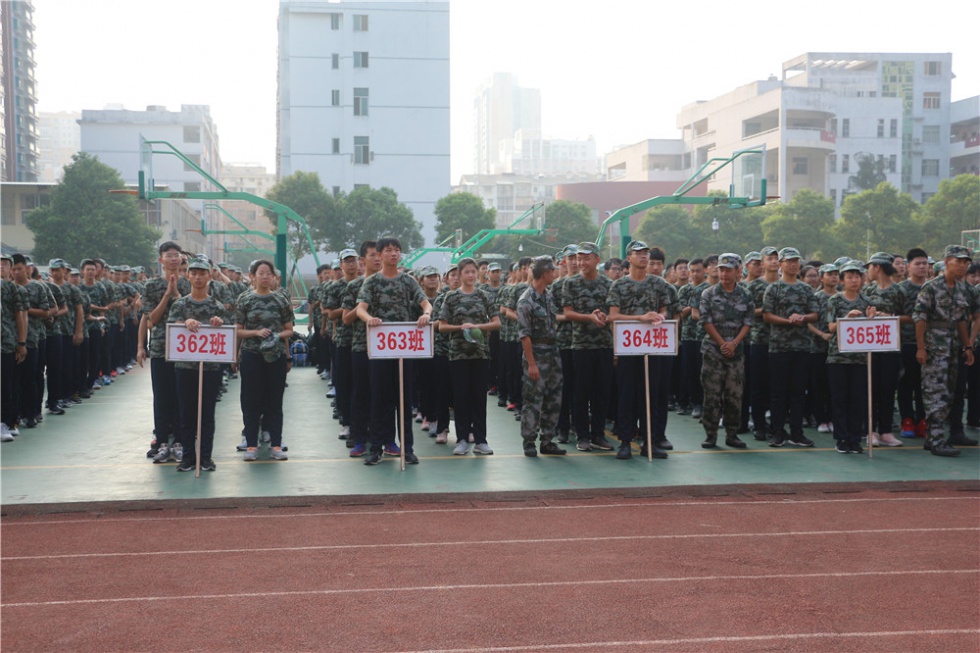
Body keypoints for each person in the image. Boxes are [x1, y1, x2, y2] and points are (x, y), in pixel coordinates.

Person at [356, 236, 432, 466]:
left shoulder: (408, 281)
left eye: (397, 250)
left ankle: (407, 448)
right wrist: (369, 319)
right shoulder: (372, 282)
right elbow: (360, 309)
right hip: (380, 348)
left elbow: (426, 302)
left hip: (404, 349)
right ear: (380, 255)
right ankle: (376, 448)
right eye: (389, 250)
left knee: (404, 399)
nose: (393, 254)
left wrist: (426, 314)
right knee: (379, 399)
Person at [606, 240, 672, 460]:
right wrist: (640, 318)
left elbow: (665, 309)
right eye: (638, 253)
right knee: (626, 395)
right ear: (629, 258)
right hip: (628, 347)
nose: (644, 256)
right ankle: (625, 441)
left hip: (652, 347)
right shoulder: (619, 285)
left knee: (650, 395)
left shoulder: (658, 283)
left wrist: (659, 317)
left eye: (646, 253)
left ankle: (649, 442)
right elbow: (613, 316)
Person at [914, 245, 977, 457]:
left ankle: (934, 438)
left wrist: (967, 345)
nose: (963, 265)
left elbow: (961, 320)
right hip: (934, 346)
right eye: (959, 261)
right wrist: (921, 348)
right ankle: (937, 440)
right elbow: (920, 318)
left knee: (949, 392)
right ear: (947, 260)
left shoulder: (961, 288)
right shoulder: (932, 287)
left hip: (953, 347)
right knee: (935, 392)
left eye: (966, 262)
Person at [168, 257, 227, 472]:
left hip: (210, 368)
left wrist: (219, 324)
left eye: (202, 273)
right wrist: (185, 322)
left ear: (209, 276)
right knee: (186, 413)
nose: (198, 277)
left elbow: (226, 332)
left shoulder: (216, 306)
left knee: (207, 414)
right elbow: (173, 326)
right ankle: (187, 457)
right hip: (185, 368)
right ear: (188, 276)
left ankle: (205, 457)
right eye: (194, 273)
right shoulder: (180, 304)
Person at [437, 257, 500, 455]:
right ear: (460, 274)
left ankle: (481, 440)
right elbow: (442, 326)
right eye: (467, 272)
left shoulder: (484, 296)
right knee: (461, 397)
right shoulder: (451, 297)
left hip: (480, 354)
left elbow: (497, 323)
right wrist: (460, 328)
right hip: (458, 355)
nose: (471, 275)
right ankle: (462, 439)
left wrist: (477, 326)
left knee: (479, 398)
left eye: (474, 271)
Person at [235, 259, 294, 461]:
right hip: (251, 355)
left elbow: (289, 330)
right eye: (261, 273)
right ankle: (251, 445)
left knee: (274, 401)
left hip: (275, 356)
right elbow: (238, 330)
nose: (265, 277)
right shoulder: (245, 299)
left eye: (269, 273)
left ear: (274, 277)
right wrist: (255, 333)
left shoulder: (281, 300)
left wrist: (277, 337)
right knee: (251, 401)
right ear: (252, 276)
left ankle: (276, 444)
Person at [762, 247, 819, 447]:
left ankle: (797, 432)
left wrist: (802, 318)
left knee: (798, 392)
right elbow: (767, 315)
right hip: (779, 348)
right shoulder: (773, 289)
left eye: (796, 261)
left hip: (802, 347)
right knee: (778, 393)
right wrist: (788, 321)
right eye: (789, 261)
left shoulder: (806, 289)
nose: (793, 265)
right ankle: (777, 432)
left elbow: (815, 314)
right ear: (781, 264)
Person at [562, 242, 616, 452]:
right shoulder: (571, 283)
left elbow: (614, 312)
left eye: (586, 258)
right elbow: (568, 313)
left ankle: (598, 435)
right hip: (581, 345)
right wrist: (589, 317)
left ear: (597, 260)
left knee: (602, 392)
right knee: (581, 392)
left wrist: (605, 317)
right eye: (579, 258)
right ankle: (582, 435)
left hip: (604, 344)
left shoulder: (608, 284)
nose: (581, 262)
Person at [139, 242, 191, 461]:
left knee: (181, 396)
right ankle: (161, 442)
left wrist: (176, 292)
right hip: (160, 347)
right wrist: (167, 294)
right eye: (169, 255)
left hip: (184, 349)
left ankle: (179, 441)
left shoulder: (188, 284)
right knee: (161, 397)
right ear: (161, 260)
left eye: (176, 255)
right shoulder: (151, 286)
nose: (173, 258)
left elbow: (191, 313)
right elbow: (151, 319)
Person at [698, 253, 754, 449]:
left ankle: (732, 434)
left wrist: (734, 344)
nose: (724, 274)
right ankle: (710, 435)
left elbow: (748, 322)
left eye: (728, 270)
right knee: (712, 395)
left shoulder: (745, 295)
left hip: (736, 353)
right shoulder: (708, 294)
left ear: (738, 271)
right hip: (713, 351)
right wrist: (723, 343)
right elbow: (705, 321)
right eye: (721, 269)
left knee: (734, 396)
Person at [517, 256, 566, 457]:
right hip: (536, 354)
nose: (555, 274)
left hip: (553, 353)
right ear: (545, 273)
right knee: (533, 399)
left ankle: (547, 440)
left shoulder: (548, 296)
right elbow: (524, 335)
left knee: (554, 398)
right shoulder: (525, 300)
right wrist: (531, 363)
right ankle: (529, 441)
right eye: (552, 271)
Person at [826, 262, 874, 454]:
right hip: (838, 358)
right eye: (850, 277)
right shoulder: (835, 301)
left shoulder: (866, 300)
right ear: (842, 280)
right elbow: (830, 327)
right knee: (840, 399)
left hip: (860, 358)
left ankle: (855, 438)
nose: (854, 281)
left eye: (857, 277)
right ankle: (841, 438)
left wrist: (871, 318)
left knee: (858, 399)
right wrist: (847, 318)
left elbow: (871, 329)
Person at [863, 253, 906, 447]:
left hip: (891, 347)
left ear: (877, 267)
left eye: (870, 267)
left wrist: (889, 316)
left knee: (888, 389)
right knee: (871, 389)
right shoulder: (868, 290)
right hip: (871, 347)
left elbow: (910, 317)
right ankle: (871, 430)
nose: (868, 271)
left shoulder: (898, 291)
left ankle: (886, 431)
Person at [897, 248, 930, 438]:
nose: (922, 267)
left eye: (925, 263)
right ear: (908, 266)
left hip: (931, 342)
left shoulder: (933, 287)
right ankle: (907, 419)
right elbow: (894, 316)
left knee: (925, 384)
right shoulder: (901, 289)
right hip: (907, 342)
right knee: (906, 382)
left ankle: (923, 420)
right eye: (918, 263)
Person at [747, 246, 779, 441]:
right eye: (770, 258)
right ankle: (759, 425)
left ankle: (777, 425)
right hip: (760, 340)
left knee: (778, 387)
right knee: (759, 385)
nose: (774, 262)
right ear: (763, 263)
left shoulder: (786, 284)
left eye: (777, 258)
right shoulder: (754, 286)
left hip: (783, 343)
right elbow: (746, 312)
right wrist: (766, 311)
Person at [1, 253, 29, 441]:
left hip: (6, 343)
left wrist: (21, 342)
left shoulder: (11, 289)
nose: (1, 266)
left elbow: (20, 315)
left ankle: (7, 422)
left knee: (7, 384)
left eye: (4, 264)